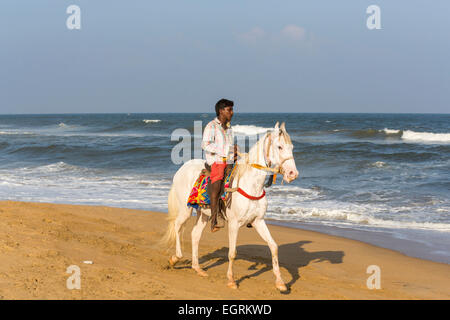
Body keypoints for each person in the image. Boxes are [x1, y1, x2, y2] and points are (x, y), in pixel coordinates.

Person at [202, 98, 238, 232]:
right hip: (215, 161)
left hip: (227, 160)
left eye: (232, 110)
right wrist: (224, 151)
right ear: (221, 111)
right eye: (229, 110)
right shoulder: (211, 126)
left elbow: (229, 146)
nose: (232, 113)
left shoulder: (229, 128)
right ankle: (214, 217)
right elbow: (205, 145)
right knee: (217, 181)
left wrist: (233, 152)